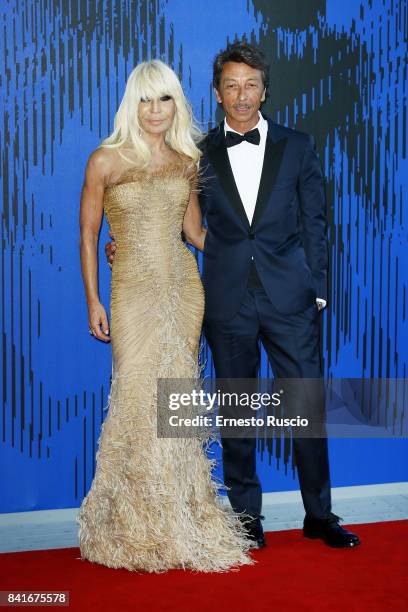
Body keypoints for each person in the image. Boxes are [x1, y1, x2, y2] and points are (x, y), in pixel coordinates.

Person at [107, 43, 361, 550]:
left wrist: (318, 292)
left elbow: (317, 223)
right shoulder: (194, 156)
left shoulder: (298, 146)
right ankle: (247, 517)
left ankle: (319, 514)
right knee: (238, 413)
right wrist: (127, 238)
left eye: (250, 85)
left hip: (291, 299)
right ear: (218, 94)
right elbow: (174, 214)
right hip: (225, 301)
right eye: (231, 85)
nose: (241, 95)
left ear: (264, 90)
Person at [77, 59, 253, 573]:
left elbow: (195, 234)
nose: (156, 110)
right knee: (135, 396)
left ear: (178, 103)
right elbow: (89, 235)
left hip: (183, 290)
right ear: (133, 104)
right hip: (132, 290)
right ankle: (133, 523)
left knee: (175, 397)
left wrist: (252, 256)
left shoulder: (185, 160)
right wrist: (93, 300)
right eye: (146, 100)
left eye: (166, 99)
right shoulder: (105, 161)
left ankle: (180, 514)